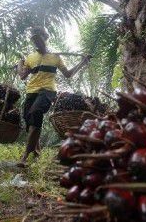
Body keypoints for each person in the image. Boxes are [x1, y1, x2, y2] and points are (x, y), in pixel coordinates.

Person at [16, 27, 91, 167]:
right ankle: (37, 149)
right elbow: (22, 76)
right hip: (31, 91)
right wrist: (21, 64)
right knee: (30, 121)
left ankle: (24, 157)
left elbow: (68, 74)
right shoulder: (30, 58)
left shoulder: (55, 57)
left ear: (45, 38)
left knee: (35, 112)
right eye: (34, 39)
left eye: (39, 38)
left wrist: (82, 62)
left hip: (48, 91)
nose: (36, 41)